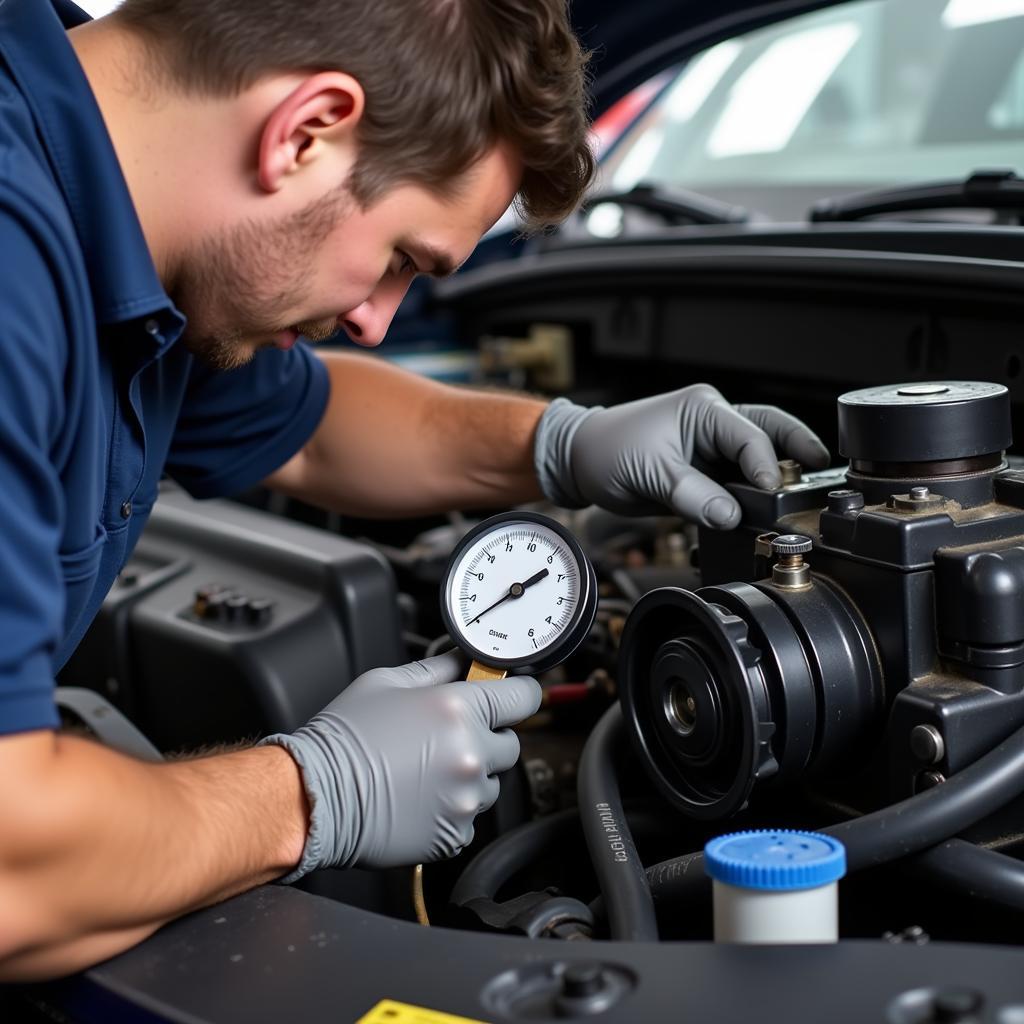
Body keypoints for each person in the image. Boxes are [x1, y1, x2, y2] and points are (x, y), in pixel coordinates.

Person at [0, 0, 830, 981]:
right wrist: (315, 794)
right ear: (308, 129)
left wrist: (564, 442)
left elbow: (306, 430)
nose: (378, 320)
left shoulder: (130, 216)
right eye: (400, 260)